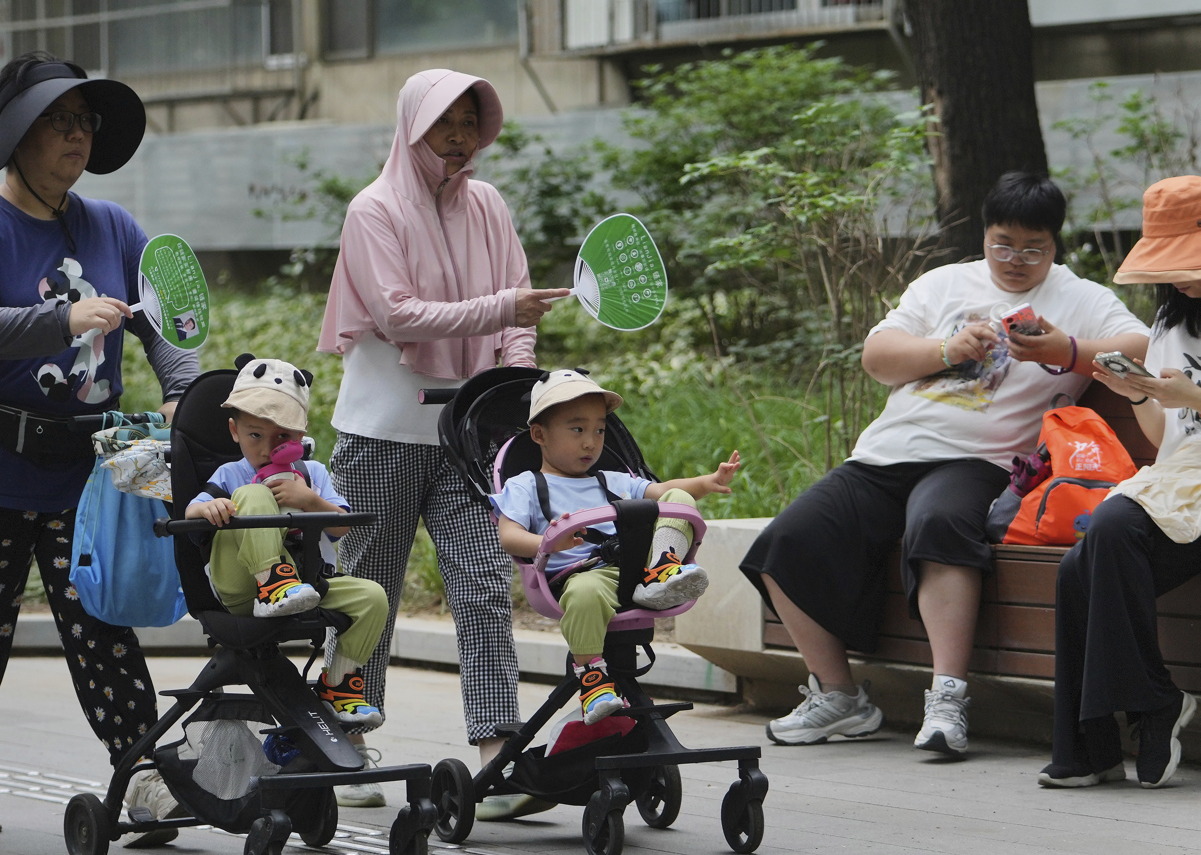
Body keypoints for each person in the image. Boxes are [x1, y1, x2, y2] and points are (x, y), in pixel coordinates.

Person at [740, 172, 1150, 757]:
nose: (1015, 260)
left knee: (937, 524)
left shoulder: (1080, 297)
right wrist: (945, 350)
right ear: (984, 235)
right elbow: (877, 358)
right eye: (1002, 244)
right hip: (887, 453)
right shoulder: (942, 284)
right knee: (785, 541)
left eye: (1033, 249)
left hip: (981, 461)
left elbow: (1141, 350)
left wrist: (1066, 351)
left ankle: (947, 700)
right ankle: (840, 697)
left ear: (1055, 246)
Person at [0, 51, 198, 839]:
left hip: (94, 463)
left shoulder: (114, 225)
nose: (77, 136)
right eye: (58, 123)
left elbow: (164, 322)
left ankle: (139, 770)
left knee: (103, 616)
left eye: (84, 122)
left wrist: (178, 391)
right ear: (16, 135)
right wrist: (57, 320)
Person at [316, 68, 569, 813]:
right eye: (443, 123)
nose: (459, 137)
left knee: (485, 585)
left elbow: (519, 308)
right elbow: (398, 315)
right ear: (411, 126)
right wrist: (501, 308)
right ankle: (343, 736)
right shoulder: (374, 209)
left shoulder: (488, 203)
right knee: (368, 592)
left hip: (468, 436)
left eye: (470, 121)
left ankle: (496, 754)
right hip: (382, 433)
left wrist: (512, 388)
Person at [1040, 175, 1201, 789]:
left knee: (1105, 531)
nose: (1181, 277)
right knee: (1077, 569)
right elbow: (1168, 438)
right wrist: (1137, 392)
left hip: (1185, 496)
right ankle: (1097, 742)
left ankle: (1140, 711)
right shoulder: (1173, 315)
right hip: (1182, 484)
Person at [491, 371, 739, 723]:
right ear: (539, 435)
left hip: (635, 567)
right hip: (580, 575)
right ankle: (593, 678)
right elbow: (509, 535)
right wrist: (548, 541)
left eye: (600, 430)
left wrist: (707, 482)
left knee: (678, 498)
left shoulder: (612, 481)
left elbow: (664, 490)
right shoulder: (526, 485)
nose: (591, 442)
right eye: (577, 430)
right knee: (585, 593)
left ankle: (662, 570)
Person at [184, 357, 390, 728]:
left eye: (282, 437)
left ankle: (338, 684)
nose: (267, 449)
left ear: (301, 433)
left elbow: (341, 528)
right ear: (235, 431)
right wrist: (211, 507)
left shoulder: (312, 475)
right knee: (252, 493)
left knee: (373, 596)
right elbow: (189, 513)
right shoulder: (230, 473)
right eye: (255, 435)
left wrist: (309, 499)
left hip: (307, 583)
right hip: (243, 587)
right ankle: (271, 582)